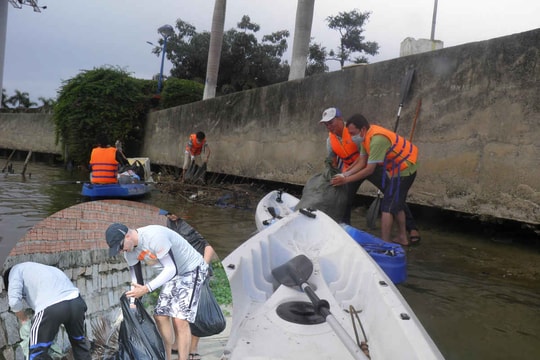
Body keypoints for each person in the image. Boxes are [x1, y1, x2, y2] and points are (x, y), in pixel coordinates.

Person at [105, 222, 209, 360]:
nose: (120, 251)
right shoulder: (129, 253)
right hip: (172, 275)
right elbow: (137, 282)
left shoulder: (155, 237)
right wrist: (131, 306)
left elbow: (171, 269)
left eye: (120, 246)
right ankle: (165, 357)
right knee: (160, 316)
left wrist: (147, 289)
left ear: (128, 235)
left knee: (179, 319)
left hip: (191, 270)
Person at [330, 113, 419, 246]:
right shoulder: (364, 138)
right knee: (396, 203)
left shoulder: (377, 140)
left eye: (353, 133)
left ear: (363, 129)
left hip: (406, 169)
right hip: (397, 170)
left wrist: (346, 180)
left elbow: (369, 169)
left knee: (387, 207)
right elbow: (361, 161)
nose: (352, 136)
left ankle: (385, 244)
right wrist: (344, 175)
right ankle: (402, 237)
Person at [3, 262, 92, 360]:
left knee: (37, 353)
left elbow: (14, 302)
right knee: (79, 344)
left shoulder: (15, 272)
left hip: (51, 307)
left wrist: (23, 319)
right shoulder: (42, 269)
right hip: (76, 302)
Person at [163, 211, 217, 360]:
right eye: (167, 215)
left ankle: (193, 348)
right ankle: (177, 344)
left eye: (172, 213)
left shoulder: (196, 220)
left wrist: (203, 267)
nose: (170, 216)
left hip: (197, 270)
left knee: (193, 312)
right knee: (177, 310)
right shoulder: (171, 222)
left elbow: (209, 244)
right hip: (179, 271)